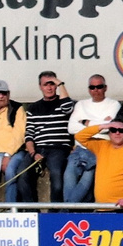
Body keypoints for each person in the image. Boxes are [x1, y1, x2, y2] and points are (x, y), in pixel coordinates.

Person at [65, 75, 121, 203]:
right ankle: (69, 212)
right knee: (68, 176)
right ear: (89, 89)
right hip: (80, 148)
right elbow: (71, 127)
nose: (96, 90)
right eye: (92, 87)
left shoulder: (114, 104)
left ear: (105, 88)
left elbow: (109, 128)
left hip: (99, 148)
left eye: (99, 86)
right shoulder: (81, 104)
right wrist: (101, 124)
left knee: (87, 178)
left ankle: (66, 210)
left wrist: (85, 122)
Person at [20, 72, 74, 202]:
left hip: (58, 148)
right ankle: (31, 211)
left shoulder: (63, 103)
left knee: (56, 176)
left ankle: (54, 213)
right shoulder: (33, 108)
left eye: (52, 84)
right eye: (46, 85)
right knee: (21, 175)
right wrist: (33, 153)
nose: (49, 88)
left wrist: (60, 83)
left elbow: (68, 108)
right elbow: (29, 135)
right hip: (38, 148)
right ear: (40, 87)